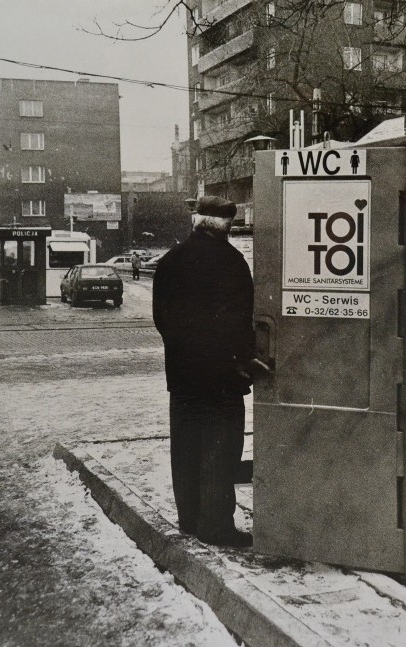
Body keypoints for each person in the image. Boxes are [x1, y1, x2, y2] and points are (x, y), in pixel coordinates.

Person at [153, 196, 264, 548]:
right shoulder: (231, 261)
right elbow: (239, 319)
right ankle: (215, 526)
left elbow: (162, 317)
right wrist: (242, 359)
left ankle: (189, 518)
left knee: (185, 447)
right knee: (220, 449)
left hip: (183, 375)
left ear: (197, 222)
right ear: (226, 226)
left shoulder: (171, 259)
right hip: (222, 376)